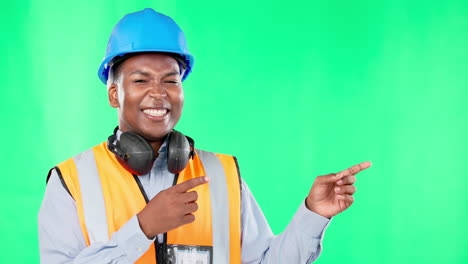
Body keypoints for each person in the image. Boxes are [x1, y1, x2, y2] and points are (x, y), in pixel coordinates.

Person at [38, 8, 371, 264]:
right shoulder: (71, 181)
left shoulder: (222, 175)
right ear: (114, 94)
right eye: (141, 80)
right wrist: (141, 230)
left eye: (170, 80)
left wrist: (313, 213)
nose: (159, 94)